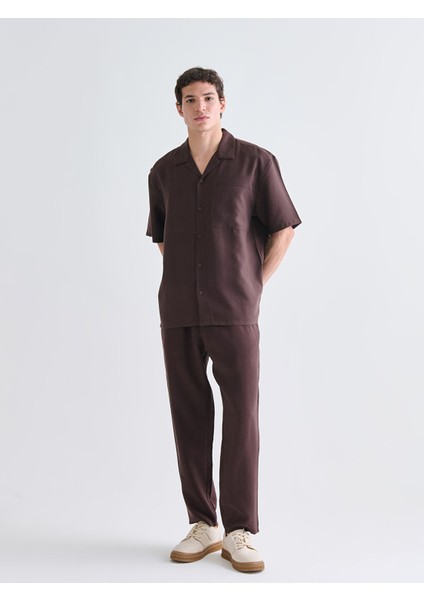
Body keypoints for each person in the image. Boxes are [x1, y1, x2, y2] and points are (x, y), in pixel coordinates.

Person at [146, 67, 302, 573]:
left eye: (208, 98)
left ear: (223, 104)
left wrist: (253, 284)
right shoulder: (163, 171)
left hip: (234, 310)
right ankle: (203, 523)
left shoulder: (256, 162)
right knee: (189, 416)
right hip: (179, 312)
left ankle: (239, 531)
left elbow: (283, 228)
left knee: (241, 417)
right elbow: (165, 240)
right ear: (179, 109)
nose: (200, 107)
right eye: (190, 100)